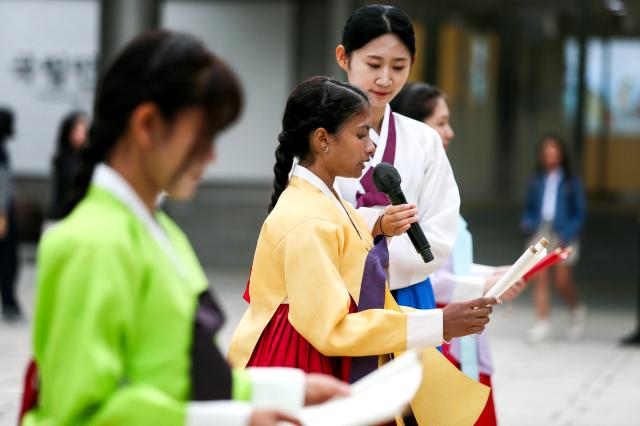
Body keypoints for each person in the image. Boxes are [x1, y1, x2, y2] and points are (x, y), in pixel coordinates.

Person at [21, 31, 349, 426]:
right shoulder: (91, 242)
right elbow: (79, 413)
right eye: (202, 137)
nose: (211, 156)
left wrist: (293, 391)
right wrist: (233, 418)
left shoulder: (158, 231)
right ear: (148, 124)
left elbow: (178, 375)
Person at [229, 76, 498, 424]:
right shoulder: (306, 218)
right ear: (323, 139)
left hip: (318, 355)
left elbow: (341, 244)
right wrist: (439, 322)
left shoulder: (325, 201)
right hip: (306, 361)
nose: (372, 147)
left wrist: (378, 224)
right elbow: (333, 328)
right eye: (361, 134)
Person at [392, 82, 527, 426]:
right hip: (439, 335)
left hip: (460, 333)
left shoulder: (436, 183)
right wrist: (482, 285)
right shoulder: (404, 194)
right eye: (441, 122)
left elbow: (451, 263)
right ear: (417, 127)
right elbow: (416, 273)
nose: (449, 132)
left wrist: (496, 273)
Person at [333, 5, 460, 325]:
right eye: (373, 64)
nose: (385, 78)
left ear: (411, 65)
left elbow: (440, 227)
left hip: (408, 293)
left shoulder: (424, 140)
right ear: (343, 57)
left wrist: (384, 261)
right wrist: (376, 228)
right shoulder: (319, 135)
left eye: (399, 66)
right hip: (334, 291)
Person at [521, 134, 587, 343]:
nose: (550, 156)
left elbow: (580, 212)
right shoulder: (536, 180)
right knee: (539, 277)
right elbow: (529, 208)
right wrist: (527, 222)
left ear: (561, 155)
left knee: (562, 281)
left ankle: (576, 310)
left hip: (563, 232)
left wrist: (567, 234)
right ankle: (542, 321)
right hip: (541, 231)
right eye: (546, 152)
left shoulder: (570, 181)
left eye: (554, 152)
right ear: (541, 156)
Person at [0, 107, 21, 320]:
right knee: (8, 260)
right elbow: (2, 184)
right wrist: (3, 214)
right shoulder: (1, 151)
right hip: (3, 213)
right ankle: (8, 303)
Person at [47, 111, 89, 221]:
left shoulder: (85, 159)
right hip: (64, 216)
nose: (82, 135)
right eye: (77, 131)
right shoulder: (65, 161)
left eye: (84, 130)